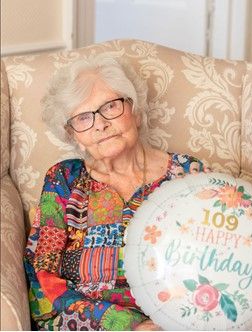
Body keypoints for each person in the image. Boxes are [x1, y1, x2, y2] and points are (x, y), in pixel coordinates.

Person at [24, 56, 208, 331]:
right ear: (73, 134)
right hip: (84, 323)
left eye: (110, 106)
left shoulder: (188, 174)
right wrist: (127, 325)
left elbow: (212, 265)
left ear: (133, 109)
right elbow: (43, 276)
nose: (100, 124)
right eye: (83, 117)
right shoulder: (63, 180)